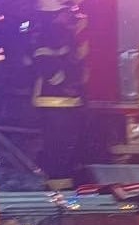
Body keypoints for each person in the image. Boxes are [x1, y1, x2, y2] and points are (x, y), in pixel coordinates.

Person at [30, 0, 88, 189]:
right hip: (54, 101)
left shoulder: (61, 30)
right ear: (55, 13)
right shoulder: (50, 32)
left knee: (65, 150)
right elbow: (42, 60)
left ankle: (63, 188)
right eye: (65, 10)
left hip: (65, 101)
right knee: (58, 151)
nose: (69, 14)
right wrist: (64, 82)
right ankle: (59, 192)